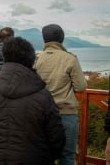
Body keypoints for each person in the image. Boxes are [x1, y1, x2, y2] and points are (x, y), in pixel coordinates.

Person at [0, 36, 66, 165]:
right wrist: (47, 157)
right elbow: (56, 136)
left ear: (5, 57)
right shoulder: (43, 95)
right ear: (30, 60)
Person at [34, 24, 87, 165]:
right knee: (68, 156)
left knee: (44, 155)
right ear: (62, 39)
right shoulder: (70, 59)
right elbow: (81, 86)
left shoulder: (37, 59)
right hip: (66, 113)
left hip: (41, 114)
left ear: (44, 39)